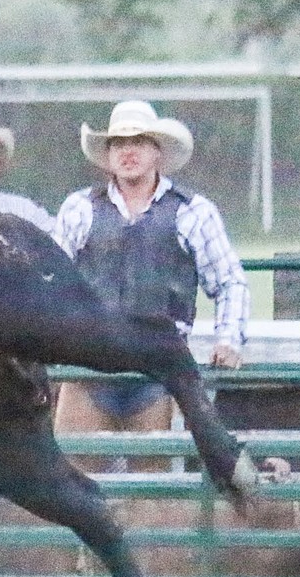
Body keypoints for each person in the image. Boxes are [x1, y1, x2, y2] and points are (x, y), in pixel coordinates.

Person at [51, 100, 250, 455]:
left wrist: (229, 339)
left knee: (152, 497)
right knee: (74, 482)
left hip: (159, 372)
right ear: (108, 153)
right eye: (118, 143)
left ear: (157, 151)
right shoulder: (78, 208)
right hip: (87, 369)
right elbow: (50, 282)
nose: (128, 152)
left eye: (138, 142)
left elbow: (229, 281)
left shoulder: (194, 212)